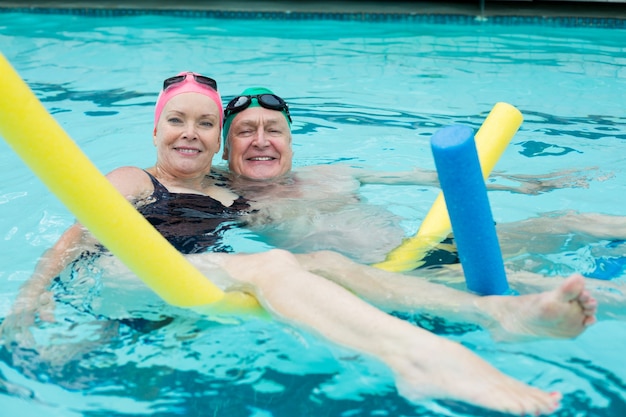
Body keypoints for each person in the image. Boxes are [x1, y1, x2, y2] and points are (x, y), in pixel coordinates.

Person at [1, 72, 598, 416]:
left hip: (188, 286)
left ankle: (496, 311)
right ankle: (415, 359)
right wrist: (31, 296)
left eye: (203, 124)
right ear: (155, 130)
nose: (189, 132)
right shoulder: (134, 179)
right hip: (120, 277)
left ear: (216, 144)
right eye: (176, 121)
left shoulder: (236, 198)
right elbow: (72, 241)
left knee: (321, 261)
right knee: (277, 264)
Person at [219, 87, 626, 281]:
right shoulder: (218, 193)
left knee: (570, 219)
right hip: (389, 279)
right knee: (534, 277)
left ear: (290, 143)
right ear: (223, 149)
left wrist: (522, 185)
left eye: (273, 129)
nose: (260, 140)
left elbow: (425, 177)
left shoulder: (331, 174)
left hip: (426, 248)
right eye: (244, 132)